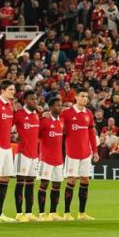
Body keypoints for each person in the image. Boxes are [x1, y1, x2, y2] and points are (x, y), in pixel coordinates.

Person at [61, 89, 98, 221]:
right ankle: (67, 213)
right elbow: (59, 128)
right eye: (82, 96)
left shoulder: (89, 113)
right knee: (71, 180)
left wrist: (95, 151)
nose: (85, 98)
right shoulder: (66, 113)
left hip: (86, 153)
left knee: (85, 180)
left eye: (86, 96)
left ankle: (82, 213)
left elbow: (91, 133)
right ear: (76, 97)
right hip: (72, 153)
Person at [14, 91, 40, 222]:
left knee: (30, 184)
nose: (34, 101)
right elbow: (7, 127)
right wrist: (13, 135)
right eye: (31, 99)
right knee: (20, 183)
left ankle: (29, 213)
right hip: (22, 154)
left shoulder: (36, 115)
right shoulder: (19, 114)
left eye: (35, 99)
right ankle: (19, 213)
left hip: (34, 155)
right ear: (25, 100)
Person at [0, 80, 17, 222]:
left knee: (5, 178)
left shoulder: (10, 106)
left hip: (7, 146)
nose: (13, 92)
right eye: (10, 89)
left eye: (13, 89)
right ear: (2, 90)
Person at [37, 97, 65, 221]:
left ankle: (53, 212)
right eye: (58, 105)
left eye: (61, 105)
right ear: (51, 107)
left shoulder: (61, 121)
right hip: (46, 158)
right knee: (44, 184)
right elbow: (36, 135)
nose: (60, 107)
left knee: (57, 185)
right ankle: (42, 213)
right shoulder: (44, 121)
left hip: (58, 159)